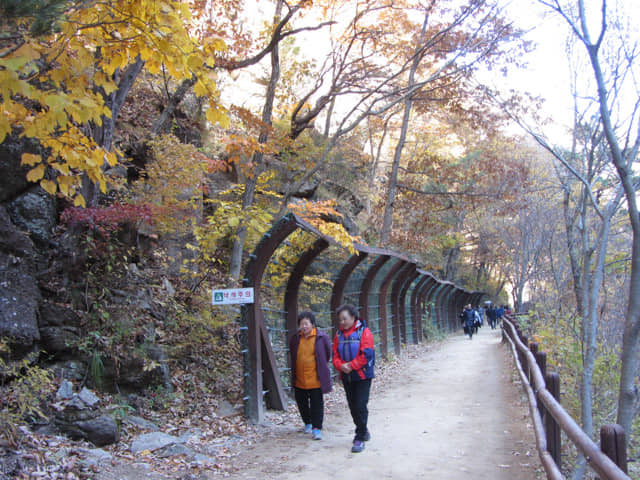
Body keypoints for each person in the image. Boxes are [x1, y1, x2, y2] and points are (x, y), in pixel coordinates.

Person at [332, 304, 375, 453]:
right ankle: (363, 430)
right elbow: (335, 355)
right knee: (352, 405)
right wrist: (341, 366)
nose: (342, 322)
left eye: (345, 319)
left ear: (353, 317)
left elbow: (367, 354)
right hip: (347, 376)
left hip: (362, 376)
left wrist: (351, 365)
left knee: (360, 405)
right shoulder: (339, 335)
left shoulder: (364, 332)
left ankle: (360, 436)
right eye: (340, 320)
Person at [289, 311, 332, 440]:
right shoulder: (296, 338)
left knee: (316, 403)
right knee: (301, 402)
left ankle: (317, 428)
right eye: (301, 324)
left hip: (315, 378)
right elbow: (292, 354)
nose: (304, 326)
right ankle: (307, 423)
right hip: (300, 378)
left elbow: (327, 353)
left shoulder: (321, 337)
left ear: (312, 324)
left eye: (306, 323)